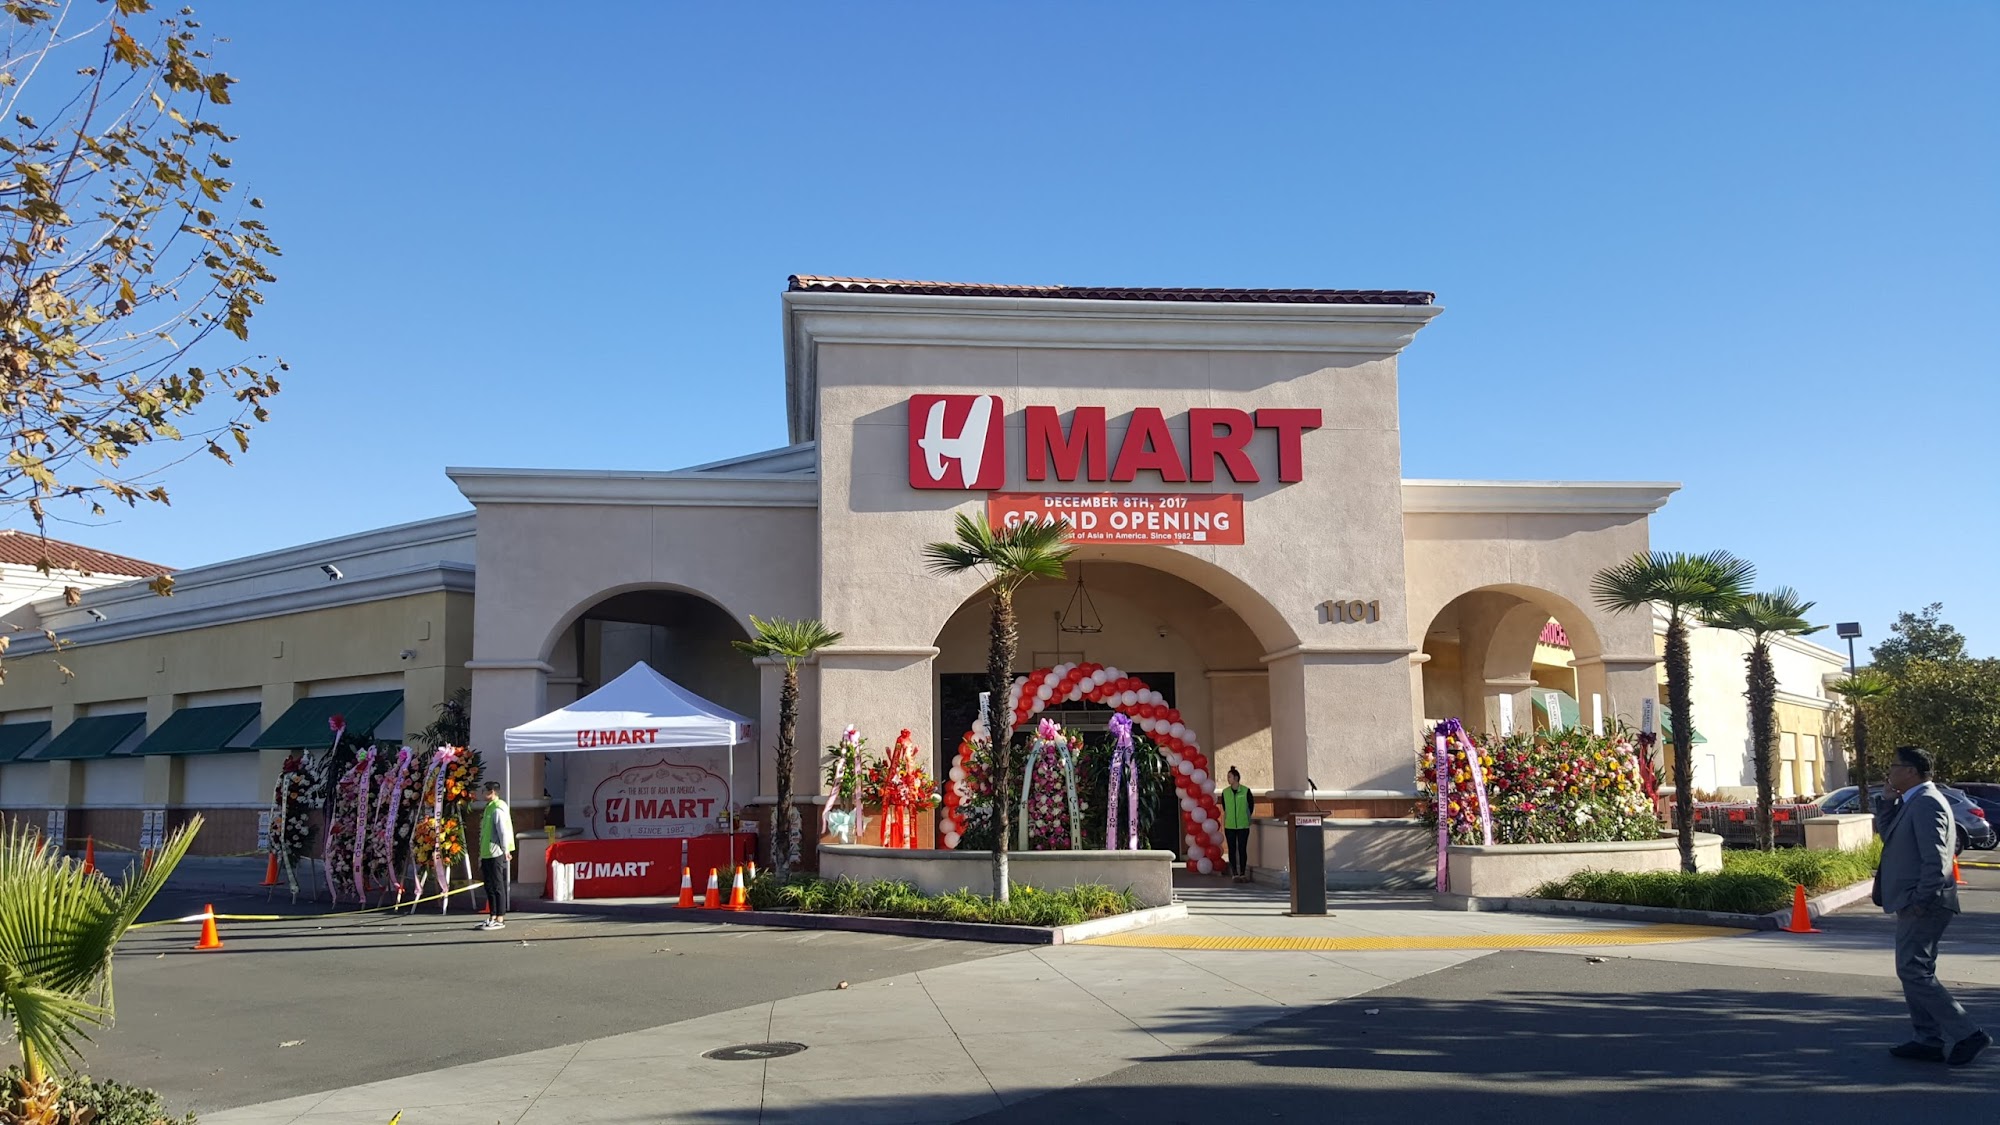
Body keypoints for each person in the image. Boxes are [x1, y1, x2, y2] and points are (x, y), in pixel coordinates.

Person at [1875, 745, 1987, 1064]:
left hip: (1925, 902)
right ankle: (1927, 1039)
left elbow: (1936, 860)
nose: (1889, 771)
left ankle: (1968, 1034)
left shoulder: (1927, 802)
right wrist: (1887, 802)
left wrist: (1920, 900)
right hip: (1917, 900)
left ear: (1911, 771)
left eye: (1894, 765)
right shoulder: (1913, 800)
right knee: (1917, 970)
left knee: (1912, 970)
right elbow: (1890, 837)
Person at [477, 779, 515, 932]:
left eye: (484, 791)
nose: (482, 794)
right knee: (489, 885)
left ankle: (500, 917)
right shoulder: (489, 808)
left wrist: (506, 849)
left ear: (492, 792)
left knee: (497, 884)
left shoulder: (498, 808)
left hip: (495, 852)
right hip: (486, 852)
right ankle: (492, 915)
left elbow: (502, 831)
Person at [1220, 767, 1253, 883]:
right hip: (1230, 826)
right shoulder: (1225, 792)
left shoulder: (1246, 791)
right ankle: (1234, 873)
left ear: (1236, 778)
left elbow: (1251, 807)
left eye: (1229, 776)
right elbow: (1225, 808)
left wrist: (1246, 818)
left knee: (1242, 849)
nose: (1228, 779)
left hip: (1243, 825)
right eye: (1227, 776)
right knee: (1232, 849)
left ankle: (1242, 873)